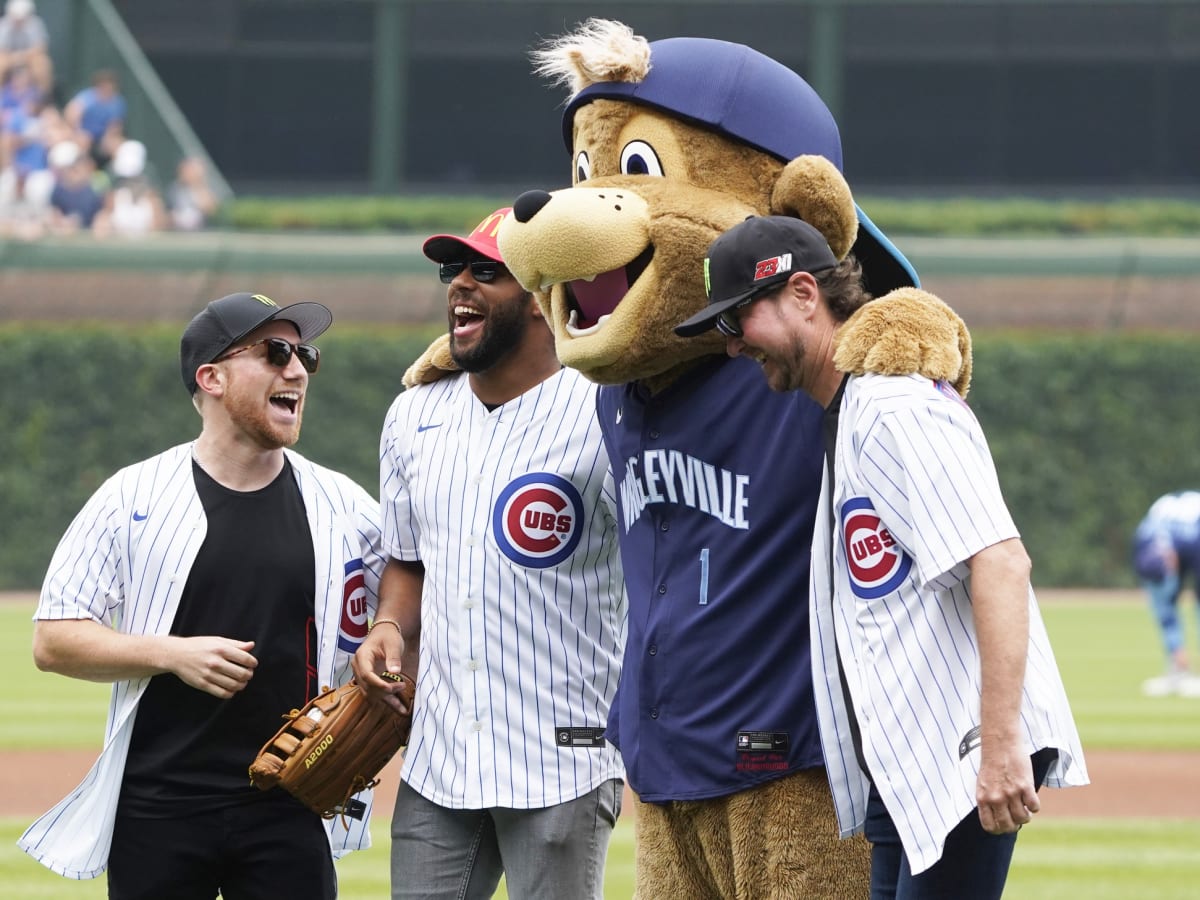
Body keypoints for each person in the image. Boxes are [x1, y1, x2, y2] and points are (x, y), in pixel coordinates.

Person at [676, 215, 1089, 899]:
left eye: (737, 319)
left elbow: (1001, 562)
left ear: (804, 293)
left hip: (957, 751)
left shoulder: (895, 407)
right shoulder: (852, 409)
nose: (730, 348)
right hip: (907, 766)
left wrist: (999, 742)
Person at [19, 291, 388, 897]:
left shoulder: (342, 502)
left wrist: (386, 631)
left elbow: (408, 596)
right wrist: (172, 653)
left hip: (290, 802)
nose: (296, 369)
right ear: (211, 377)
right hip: (159, 806)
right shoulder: (130, 497)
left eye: (304, 355)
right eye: (274, 352)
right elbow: (54, 639)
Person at [351, 208, 626, 900]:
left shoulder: (608, 411)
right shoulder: (413, 415)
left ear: (541, 297)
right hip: (439, 759)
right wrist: (388, 625)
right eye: (454, 270)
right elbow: (409, 561)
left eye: (485, 271)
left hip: (561, 756)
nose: (459, 286)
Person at [1131, 490, 1200, 697]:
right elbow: (1163, 605)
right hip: (1178, 540)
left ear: (1171, 558)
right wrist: (1176, 648)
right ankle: (1177, 668)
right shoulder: (1142, 540)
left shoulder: (1192, 539)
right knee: (1162, 603)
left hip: (1195, 540)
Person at [64, 68, 125, 167]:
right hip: (83, 133)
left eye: (111, 86)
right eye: (105, 85)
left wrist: (108, 137)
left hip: (102, 136)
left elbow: (115, 125)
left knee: (117, 145)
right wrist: (78, 131)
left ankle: (115, 175)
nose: (108, 88)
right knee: (83, 141)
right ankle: (83, 171)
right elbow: (72, 113)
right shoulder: (88, 96)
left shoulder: (117, 102)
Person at [0, 0, 52, 96]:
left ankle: (43, 99)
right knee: (1, 63)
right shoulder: (3, 25)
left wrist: (22, 57)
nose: (18, 20)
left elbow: (40, 48)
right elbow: (2, 50)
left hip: (29, 58)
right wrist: (14, 58)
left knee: (42, 64)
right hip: (9, 57)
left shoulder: (35, 24)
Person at [168, 154, 220, 231]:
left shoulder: (205, 189)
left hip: (202, 232)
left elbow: (212, 209)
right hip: (178, 232)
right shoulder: (174, 189)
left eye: (190, 170)